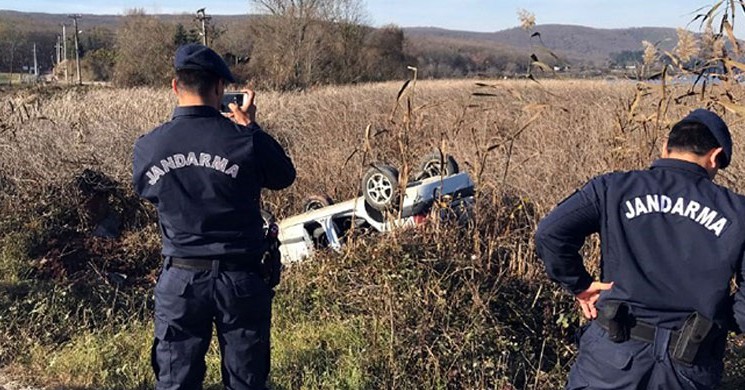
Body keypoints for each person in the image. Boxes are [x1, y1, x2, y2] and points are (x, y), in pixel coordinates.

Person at [535, 108, 744, 389]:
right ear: (716, 157)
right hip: (688, 366)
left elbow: (550, 233)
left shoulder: (612, 188)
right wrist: (728, 322)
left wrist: (580, 284)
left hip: (612, 358)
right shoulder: (738, 211)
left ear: (665, 147)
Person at [132, 43, 296, 390]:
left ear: (176, 86)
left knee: (176, 380)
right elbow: (284, 176)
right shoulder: (244, 141)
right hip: (240, 279)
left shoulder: (149, 146)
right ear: (222, 88)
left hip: (180, 277)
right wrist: (251, 127)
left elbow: (145, 191)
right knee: (246, 381)